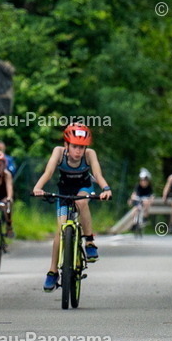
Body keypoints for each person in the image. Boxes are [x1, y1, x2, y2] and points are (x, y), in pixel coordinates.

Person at [32, 124, 113, 292]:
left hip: (84, 188)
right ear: (66, 144)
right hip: (64, 191)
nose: (78, 151)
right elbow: (48, 172)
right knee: (60, 230)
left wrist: (106, 189)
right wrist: (38, 188)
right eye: (75, 146)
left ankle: (89, 241)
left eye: (82, 147)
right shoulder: (58, 152)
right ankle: (53, 271)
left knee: (81, 202)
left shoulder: (90, 155)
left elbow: (98, 175)